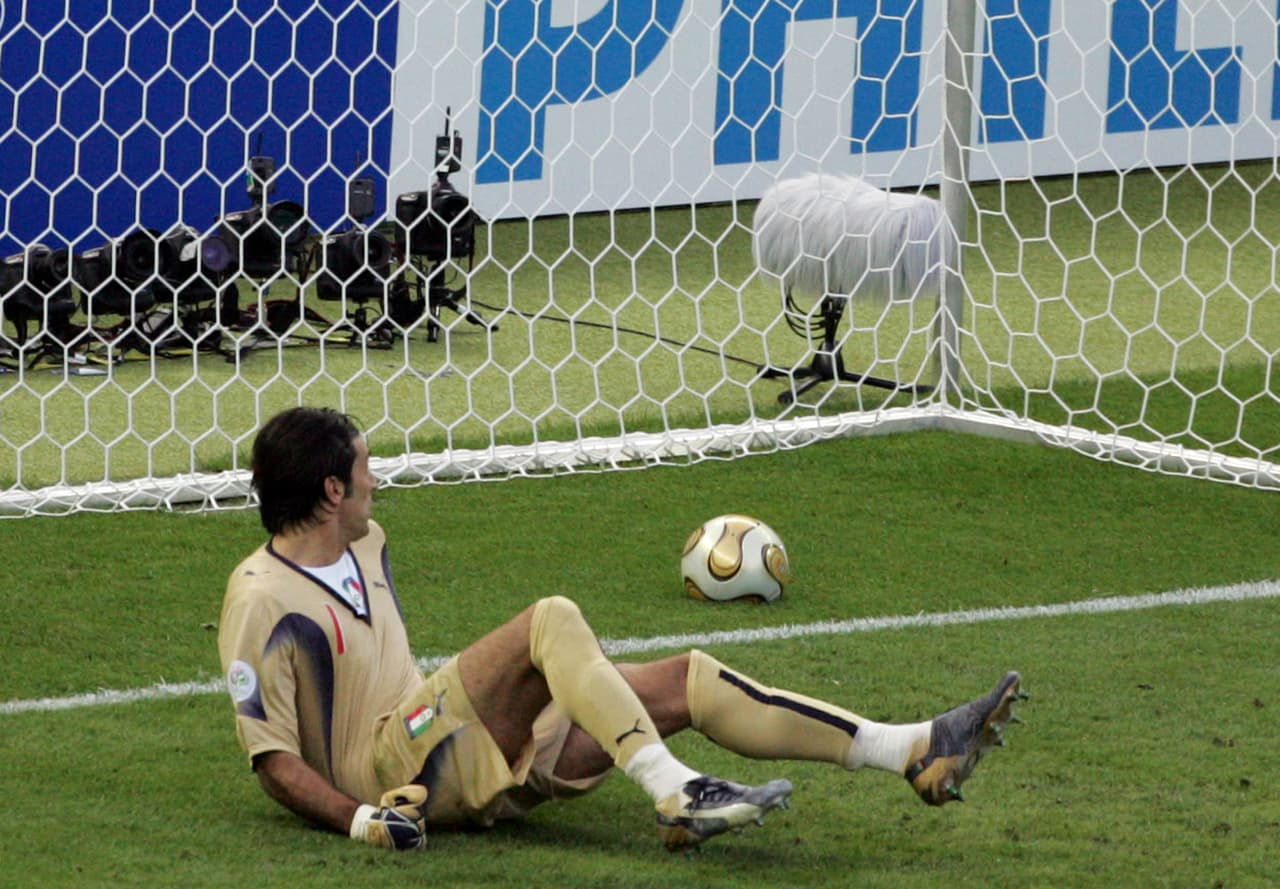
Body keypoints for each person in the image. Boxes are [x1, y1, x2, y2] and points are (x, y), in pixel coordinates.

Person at [218, 406, 1026, 853]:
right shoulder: (260, 599)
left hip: (447, 739)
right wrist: (360, 817)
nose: (376, 480)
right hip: (387, 764)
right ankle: (676, 788)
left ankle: (912, 748)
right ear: (329, 490)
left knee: (684, 678)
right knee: (551, 621)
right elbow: (271, 761)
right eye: (362, 471)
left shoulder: (366, 539)